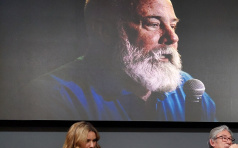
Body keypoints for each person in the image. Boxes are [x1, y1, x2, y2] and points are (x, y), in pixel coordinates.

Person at [16, 0, 216, 121]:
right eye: (153, 24)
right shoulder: (53, 96)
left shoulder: (189, 90)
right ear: (104, 30)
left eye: (173, 25)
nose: (172, 38)